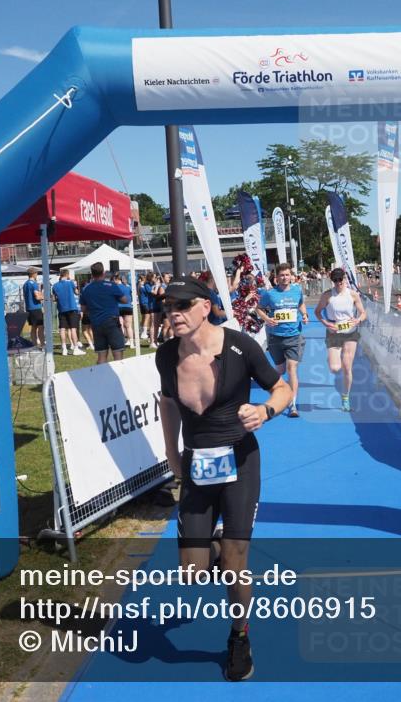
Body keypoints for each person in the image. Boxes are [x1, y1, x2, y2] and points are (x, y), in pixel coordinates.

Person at [155, 277, 292, 682]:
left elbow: (282, 389)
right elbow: (168, 404)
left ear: (205, 306)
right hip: (197, 465)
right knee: (192, 573)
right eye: (168, 307)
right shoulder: (166, 355)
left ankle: (239, 636)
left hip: (240, 462)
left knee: (234, 566)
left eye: (182, 305)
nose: (173, 313)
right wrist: (171, 452)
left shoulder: (240, 346)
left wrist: (265, 411)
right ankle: (218, 543)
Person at [256, 263, 309, 418]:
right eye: (282, 275)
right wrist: (267, 319)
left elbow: (301, 304)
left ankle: (292, 404)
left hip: (294, 336)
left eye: (287, 275)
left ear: (291, 276)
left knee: (292, 368)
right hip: (275, 337)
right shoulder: (270, 294)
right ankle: (277, 393)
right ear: (277, 277)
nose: (285, 278)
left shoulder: (297, 290)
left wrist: (304, 315)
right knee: (280, 370)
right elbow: (258, 308)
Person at [314, 268, 368, 412]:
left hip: (350, 333)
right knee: (335, 368)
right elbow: (317, 312)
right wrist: (325, 323)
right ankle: (331, 357)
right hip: (334, 333)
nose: (338, 283)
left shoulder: (353, 294)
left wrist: (358, 320)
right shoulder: (327, 295)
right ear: (332, 281)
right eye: (335, 280)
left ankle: (345, 397)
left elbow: (363, 313)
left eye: (340, 279)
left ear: (345, 279)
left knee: (347, 367)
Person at [79, 262, 128, 364]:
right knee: (117, 354)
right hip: (111, 322)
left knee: (101, 355)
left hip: (96, 323)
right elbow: (125, 300)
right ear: (103, 273)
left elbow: (83, 309)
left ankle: (101, 374)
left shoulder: (86, 289)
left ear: (92, 274)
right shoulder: (111, 285)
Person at [52, 269, 85, 356]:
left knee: (62, 329)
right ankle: (76, 349)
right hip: (72, 308)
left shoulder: (55, 286)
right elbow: (76, 293)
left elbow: (54, 299)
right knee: (73, 328)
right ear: (67, 275)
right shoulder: (70, 283)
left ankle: (64, 349)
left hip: (61, 309)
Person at [22, 267, 44, 348]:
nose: (37, 275)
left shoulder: (25, 284)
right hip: (36, 308)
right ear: (34, 274)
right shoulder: (34, 284)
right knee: (41, 327)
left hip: (29, 308)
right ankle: (43, 344)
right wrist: (44, 297)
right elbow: (37, 296)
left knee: (33, 327)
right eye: (36, 273)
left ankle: (34, 345)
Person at [115, 273, 135, 343]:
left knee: (121, 326)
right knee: (129, 326)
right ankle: (131, 342)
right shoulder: (128, 287)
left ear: (117, 279)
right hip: (128, 307)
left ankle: (122, 341)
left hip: (119, 307)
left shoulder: (116, 287)